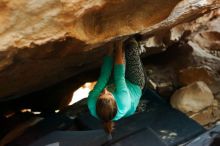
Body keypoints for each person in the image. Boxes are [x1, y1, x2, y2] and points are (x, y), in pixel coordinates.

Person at [87, 37, 145, 135]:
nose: (105, 90)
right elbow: (119, 76)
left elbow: (104, 76)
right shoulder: (123, 101)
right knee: (130, 47)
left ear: (97, 101)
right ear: (115, 102)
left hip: (113, 82)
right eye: (108, 94)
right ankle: (134, 47)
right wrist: (118, 45)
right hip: (134, 84)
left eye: (101, 94)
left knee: (115, 59)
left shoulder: (92, 103)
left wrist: (109, 49)